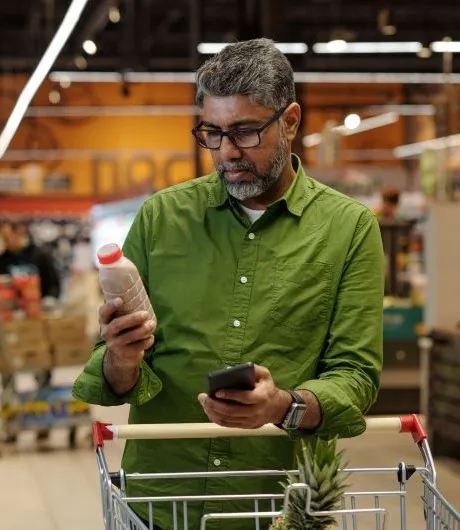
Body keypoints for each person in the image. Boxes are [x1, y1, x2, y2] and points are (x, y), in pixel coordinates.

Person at [72, 38, 384, 530]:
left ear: (290, 121)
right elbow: (111, 376)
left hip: (276, 503)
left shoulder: (348, 229)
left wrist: (282, 405)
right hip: (161, 498)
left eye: (245, 131)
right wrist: (122, 357)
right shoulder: (162, 217)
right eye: (212, 133)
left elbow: (356, 375)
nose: (227, 152)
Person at [0, 221, 62, 442]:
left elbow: (55, 285)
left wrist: (49, 301)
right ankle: (10, 424)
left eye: (8, 236)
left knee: (43, 372)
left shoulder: (41, 256)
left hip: (37, 325)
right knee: (7, 375)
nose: (4, 242)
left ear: (20, 232)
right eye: (2, 238)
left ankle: (43, 421)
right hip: (9, 327)